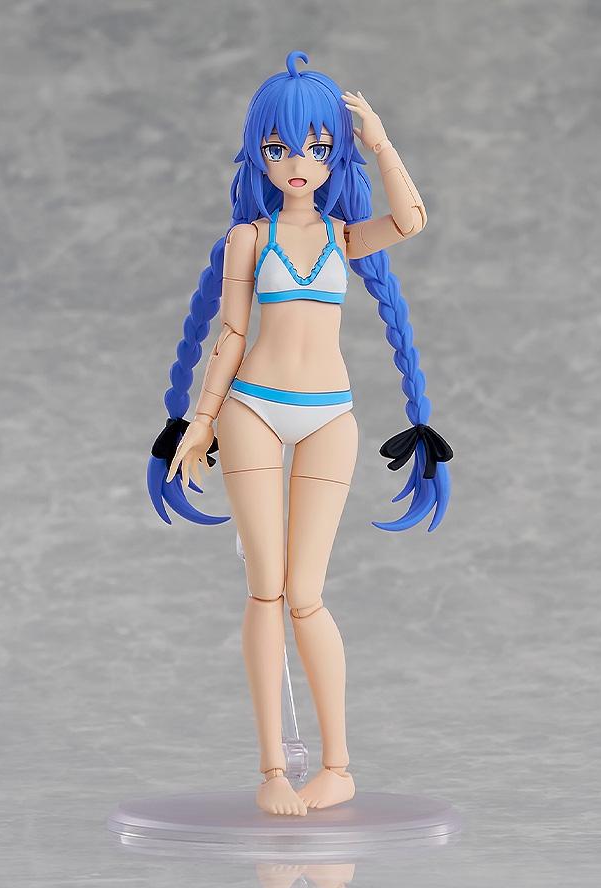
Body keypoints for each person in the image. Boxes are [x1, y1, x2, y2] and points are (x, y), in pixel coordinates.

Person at [148, 51, 452, 816]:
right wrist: (201, 420)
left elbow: (412, 220)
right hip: (252, 407)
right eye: (279, 148)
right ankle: (272, 772)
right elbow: (230, 334)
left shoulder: (346, 237)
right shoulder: (250, 240)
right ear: (258, 152)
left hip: (329, 418)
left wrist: (380, 142)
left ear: (335, 155)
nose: (297, 163)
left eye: (317, 148)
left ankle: (338, 767)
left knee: (307, 596)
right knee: (266, 588)